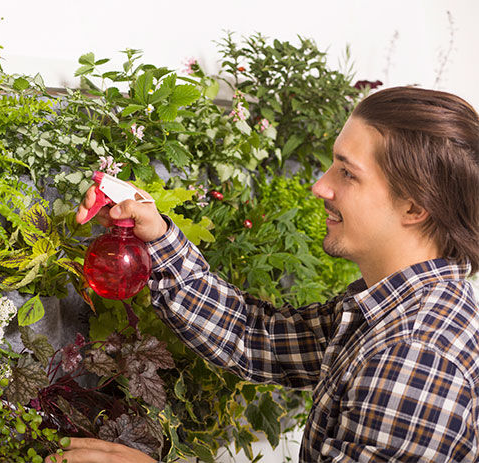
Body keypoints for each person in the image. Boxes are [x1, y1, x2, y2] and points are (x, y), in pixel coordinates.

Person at [52, 86, 479, 462]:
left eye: (348, 173)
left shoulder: (414, 354)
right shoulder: (395, 306)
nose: (320, 187)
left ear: (414, 208)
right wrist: (158, 236)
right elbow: (259, 338)